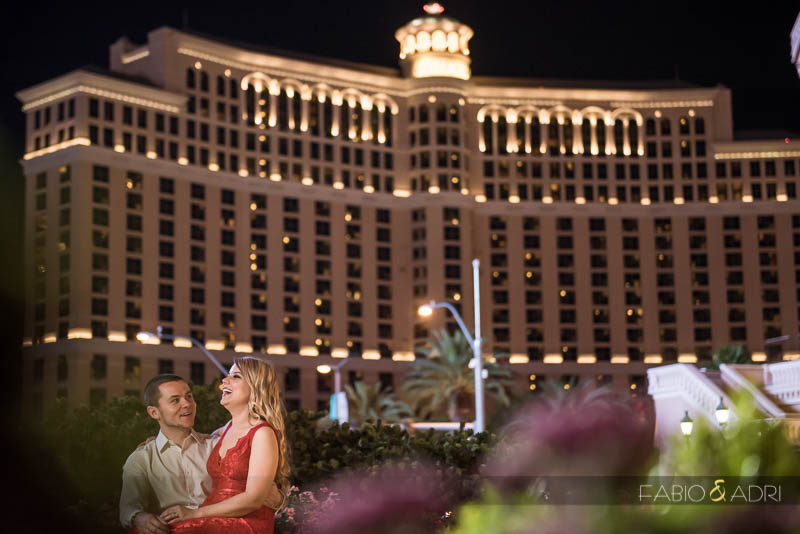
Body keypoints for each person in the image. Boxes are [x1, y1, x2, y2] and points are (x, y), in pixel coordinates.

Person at [119, 373, 282, 534]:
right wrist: (140, 518)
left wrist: (270, 494)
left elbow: (245, 429)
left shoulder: (217, 445)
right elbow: (128, 507)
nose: (187, 404)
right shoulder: (142, 458)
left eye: (189, 397)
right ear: (154, 412)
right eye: (175, 400)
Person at [159, 356, 290, 533]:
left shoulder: (262, 433)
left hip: (246, 521)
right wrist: (154, 441)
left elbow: (254, 499)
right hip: (211, 516)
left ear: (256, 386)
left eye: (236, 376)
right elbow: (188, 439)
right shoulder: (223, 431)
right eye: (227, 375)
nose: (224, 380)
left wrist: (194, 514)